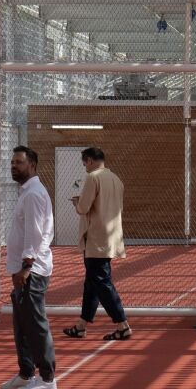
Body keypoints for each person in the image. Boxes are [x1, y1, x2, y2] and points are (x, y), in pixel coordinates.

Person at [1, 143, 58, 389]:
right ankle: (26, 373)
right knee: (22, 324)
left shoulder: (34, 194)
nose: (14, 166)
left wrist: (27, 267)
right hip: (23, 269)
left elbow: (35, 235)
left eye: (19, 162)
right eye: (13, 162)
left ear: (32, 165)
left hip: (31, 271)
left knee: (35, 324)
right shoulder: (26, 192)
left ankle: (47, 378)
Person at [65, 144, 130, 342]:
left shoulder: (93, 178)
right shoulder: (116, 179)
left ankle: (122, 324)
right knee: (92, 283)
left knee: (101, 282)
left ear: (91, 160)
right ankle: (82, 325)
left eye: (85, 162)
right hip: (111, 237)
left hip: (95, 238)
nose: (84, 166)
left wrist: (77, 202)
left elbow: (84, 208)